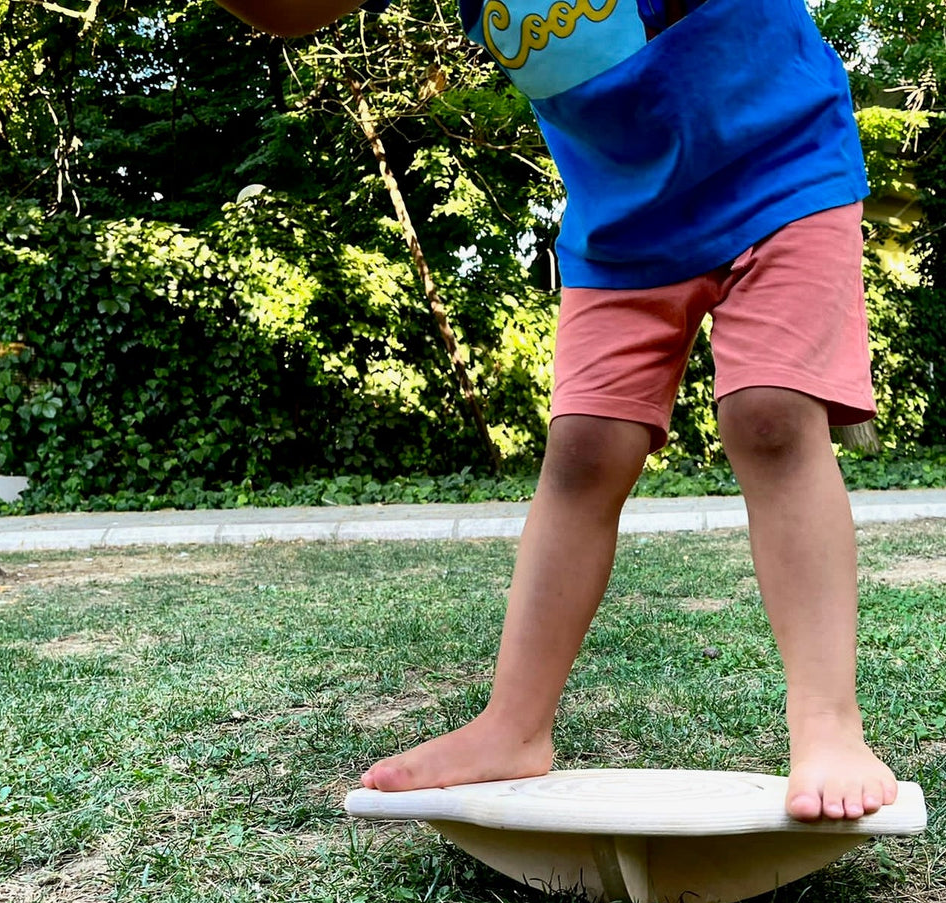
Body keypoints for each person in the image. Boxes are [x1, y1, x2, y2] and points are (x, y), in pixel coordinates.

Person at [216, 0, 899, 820]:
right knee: (582, 447)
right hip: (622, 220)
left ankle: (828, 724)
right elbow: (291, 12)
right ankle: (513, 725)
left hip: (783, 164)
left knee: (772, 416)